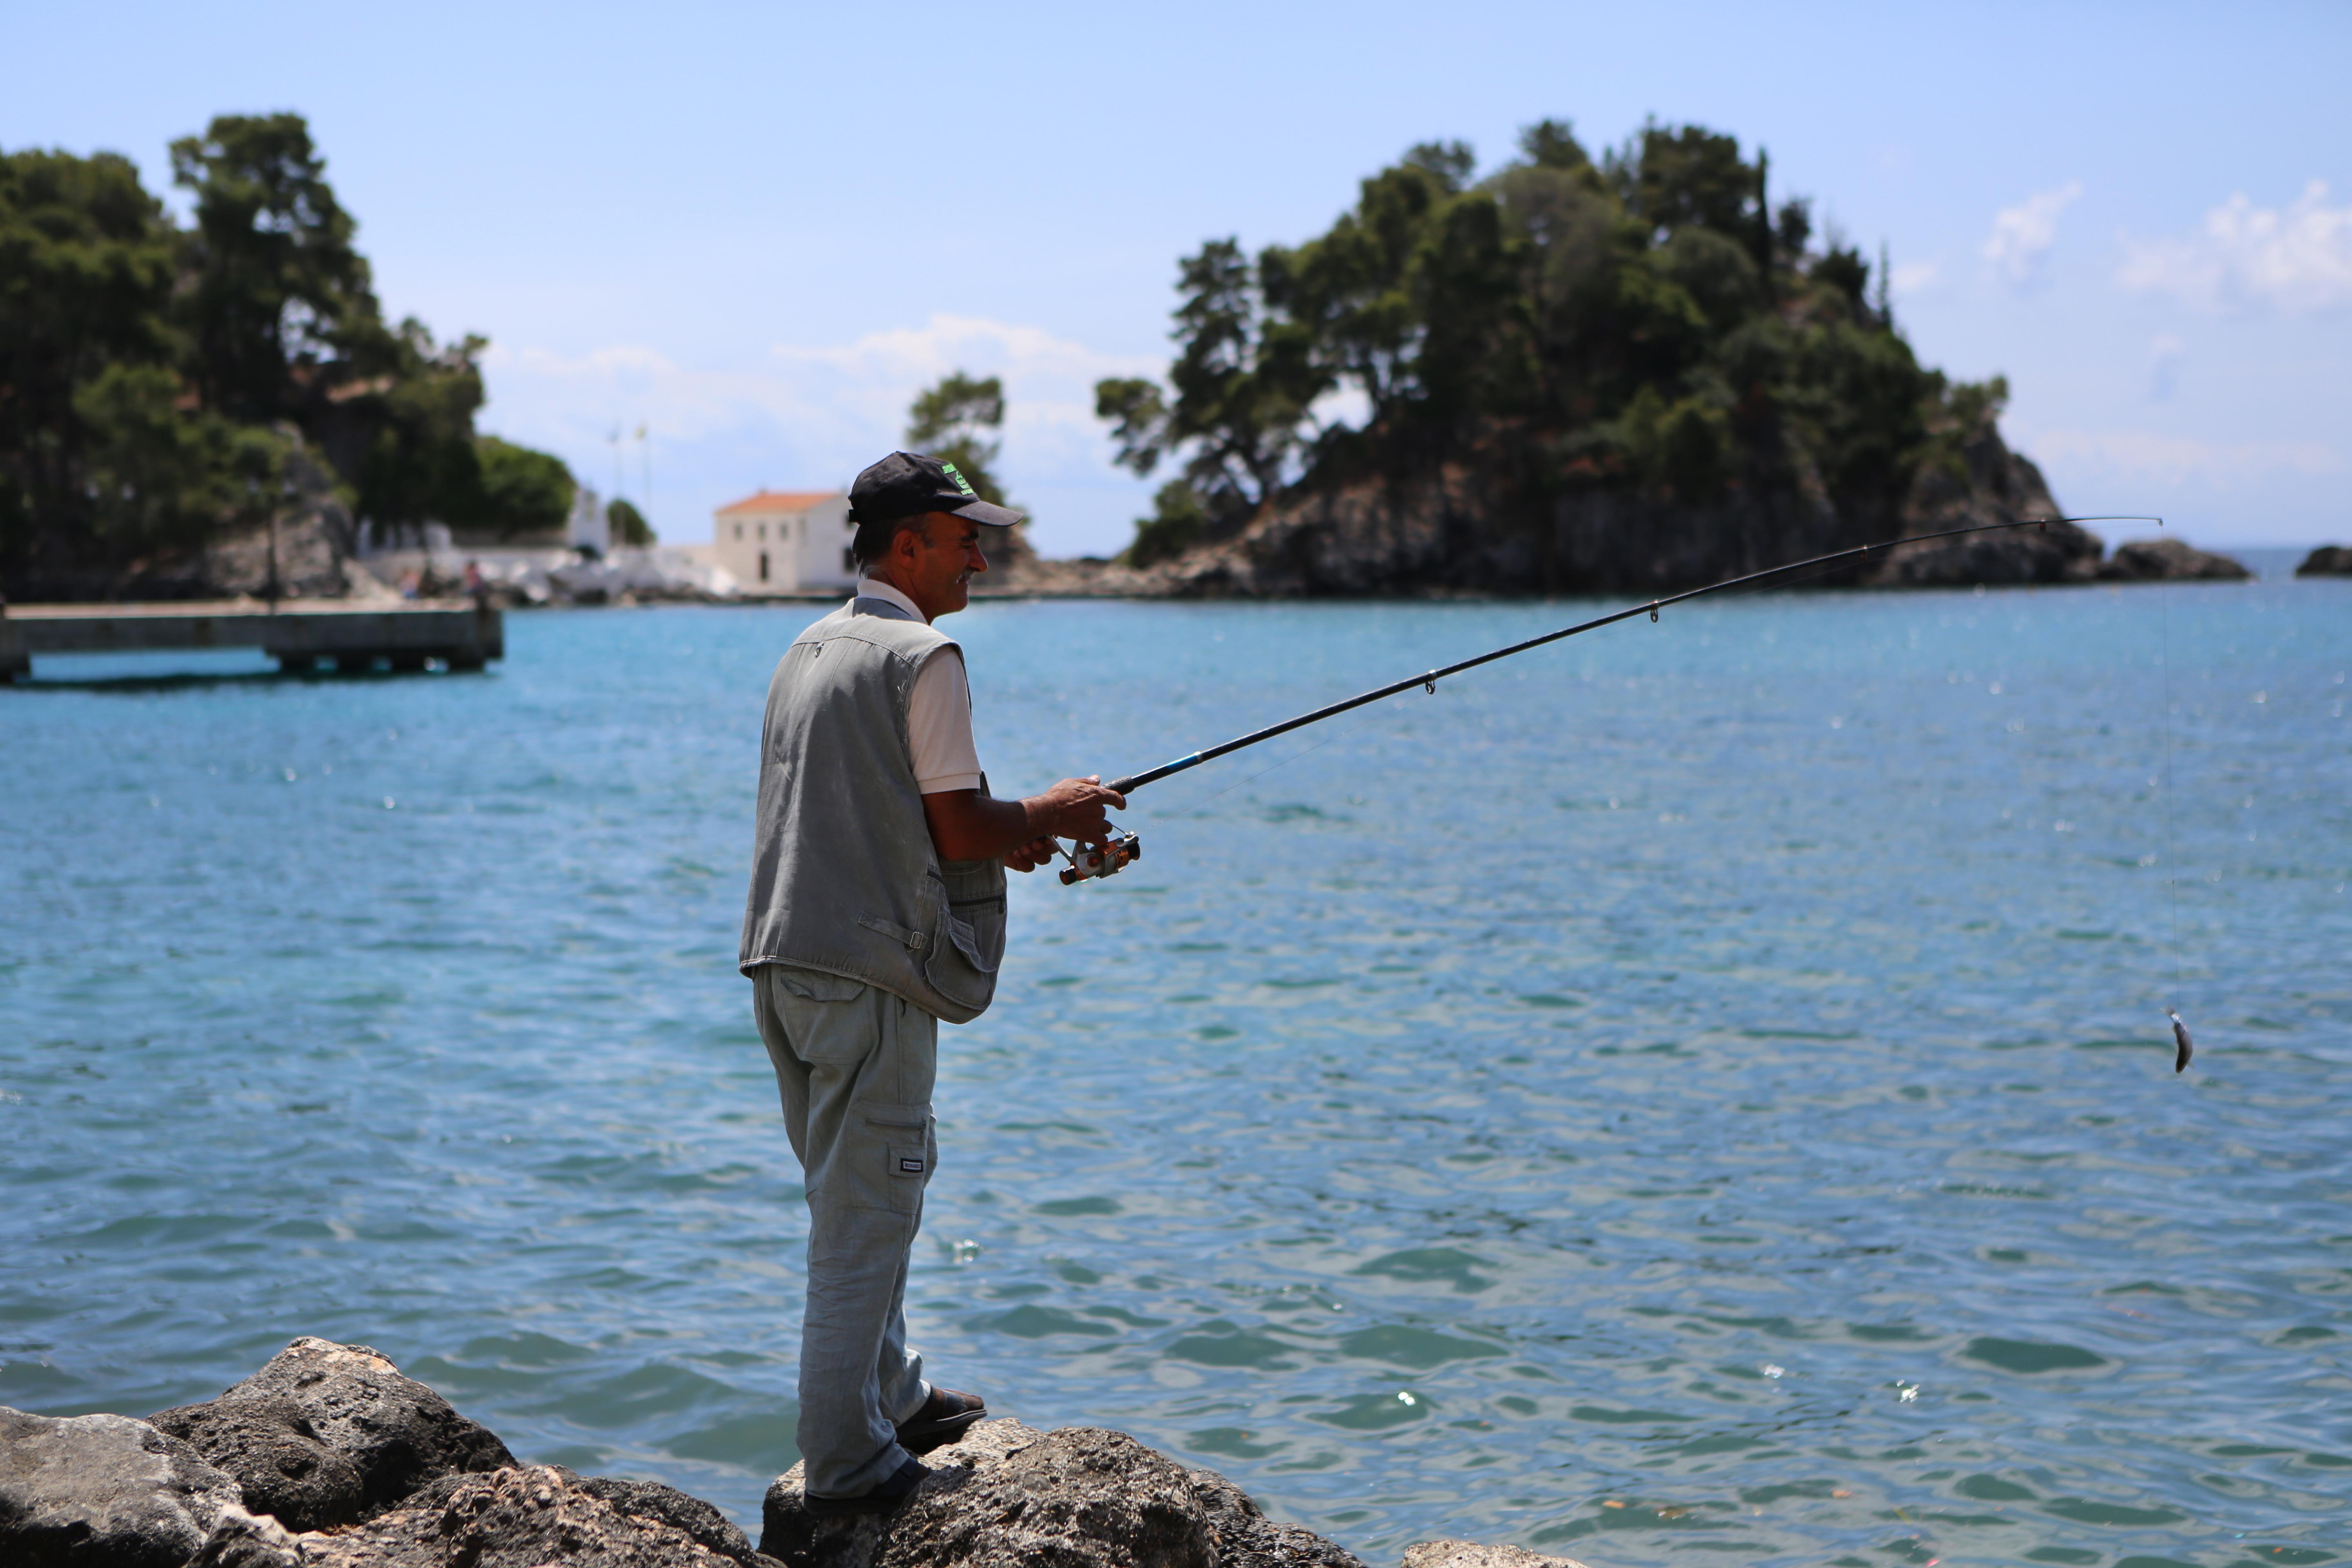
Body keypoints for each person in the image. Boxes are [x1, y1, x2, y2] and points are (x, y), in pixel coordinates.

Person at [739, 451, 1125, 1516]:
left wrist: (1011, 832)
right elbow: (957, 826)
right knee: (868, 1214)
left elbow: (883, 811)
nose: (982, 562)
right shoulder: (927, 655)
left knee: (857, 1194)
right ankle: (848, 1467)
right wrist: (1048, 812)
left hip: (783, 963)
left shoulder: (807, 649)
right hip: (869, 976)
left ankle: (897, 1397)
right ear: (908, 545)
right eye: (965, 541)